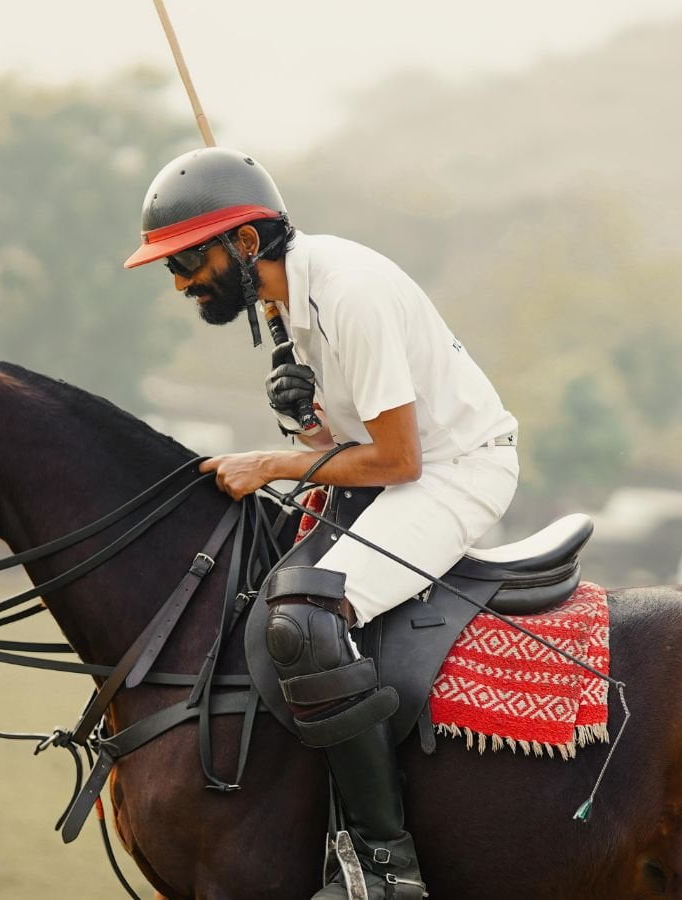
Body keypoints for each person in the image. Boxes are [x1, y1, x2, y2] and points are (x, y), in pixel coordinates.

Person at [124, 147, 519, 898]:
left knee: (305, 620)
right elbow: (346, 445)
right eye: (172, 268)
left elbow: (398, 459)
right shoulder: (285, 301)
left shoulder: (349, 294)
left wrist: (271, 463)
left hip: (455, 471)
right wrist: (302, 420)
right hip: (398, 471)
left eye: (187, 261)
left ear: (245, 244)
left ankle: (385, 864)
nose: (178, 283)